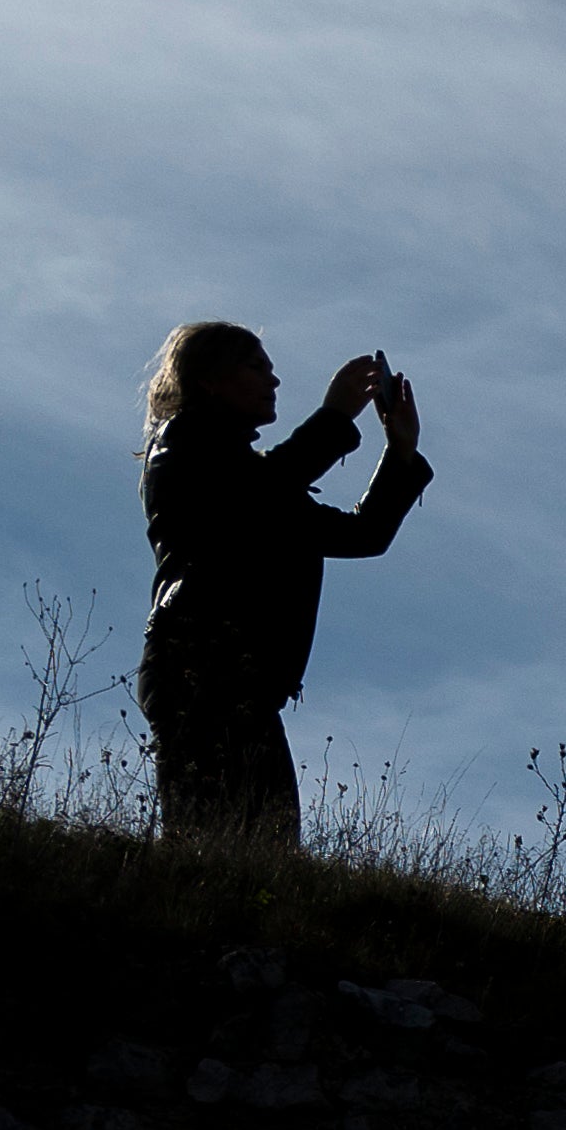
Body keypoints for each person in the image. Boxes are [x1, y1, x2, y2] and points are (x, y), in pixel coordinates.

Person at [132, 322, 430, 849]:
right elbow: (255, 493)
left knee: (262, 849)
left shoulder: (260, 480)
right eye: (256, 367)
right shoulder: (182, 444)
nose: (273, 381)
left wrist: (400, 451)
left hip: (239, 679)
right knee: (216, 844)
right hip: (197, 662)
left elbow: (362, 534)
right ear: (210, 379)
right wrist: (335, 416)